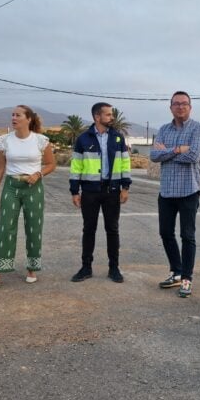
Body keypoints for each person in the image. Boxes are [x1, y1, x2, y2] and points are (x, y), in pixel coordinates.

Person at [0, 105, 56, 289]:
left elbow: (51, 164)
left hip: (34, 187)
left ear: (28, 119)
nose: (13, 117)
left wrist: (38, 174)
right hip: (11, 186)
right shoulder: (4, 141)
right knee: (5, 226)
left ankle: (32, 269)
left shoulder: (41, 141)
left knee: (33, 227)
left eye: (18, 115)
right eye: (12, 115)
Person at [150, 91, 200, 298]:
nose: (180, 107)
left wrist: (169, 151)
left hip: (189, 191)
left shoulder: (198, 128)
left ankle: (186, 279)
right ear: (171, 107)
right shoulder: (164, 129)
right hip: (166, 192)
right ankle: (176, 271)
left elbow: (194, 155)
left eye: (184, 104)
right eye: (176, 104)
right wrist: (178, 150)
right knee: (165, 233)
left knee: (187, 236)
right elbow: (154, 156)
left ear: (190, 107)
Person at [69, 102, 131, 283]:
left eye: (112, 114)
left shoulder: (118, 138)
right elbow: (76, 167)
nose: (112, 117)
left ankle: (114, 268)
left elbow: (125, 164)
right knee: (88, 229)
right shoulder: (83, 139)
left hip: (112, 192)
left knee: (112, 229)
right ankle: (86, 267)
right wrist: (75, 191)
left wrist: (125, 187)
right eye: (109, 114)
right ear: (97, 117)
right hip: (89, 192)